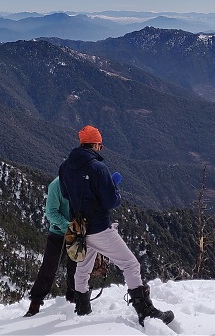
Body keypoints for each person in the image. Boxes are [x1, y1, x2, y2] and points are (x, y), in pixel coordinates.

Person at [58, 125, 173, 326]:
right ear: (95, 144)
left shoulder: (65, 166)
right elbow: (111, 201)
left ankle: (82, 308)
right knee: (130, 264)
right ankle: (145, 311)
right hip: (100, 228)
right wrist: (115, 189)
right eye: (100, 146)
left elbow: (66, 194)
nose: (100, 149)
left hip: (79, 228)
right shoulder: (98, 168)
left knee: (82, 268)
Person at [24, 176, 77, 317]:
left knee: (75, 267)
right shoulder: (57, 185)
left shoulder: (84, 180)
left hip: (76, 231)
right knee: (49, 267)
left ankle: (74, 297)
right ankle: (35, 302)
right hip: (59, 232)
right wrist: (69, 227)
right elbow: (51, 212)